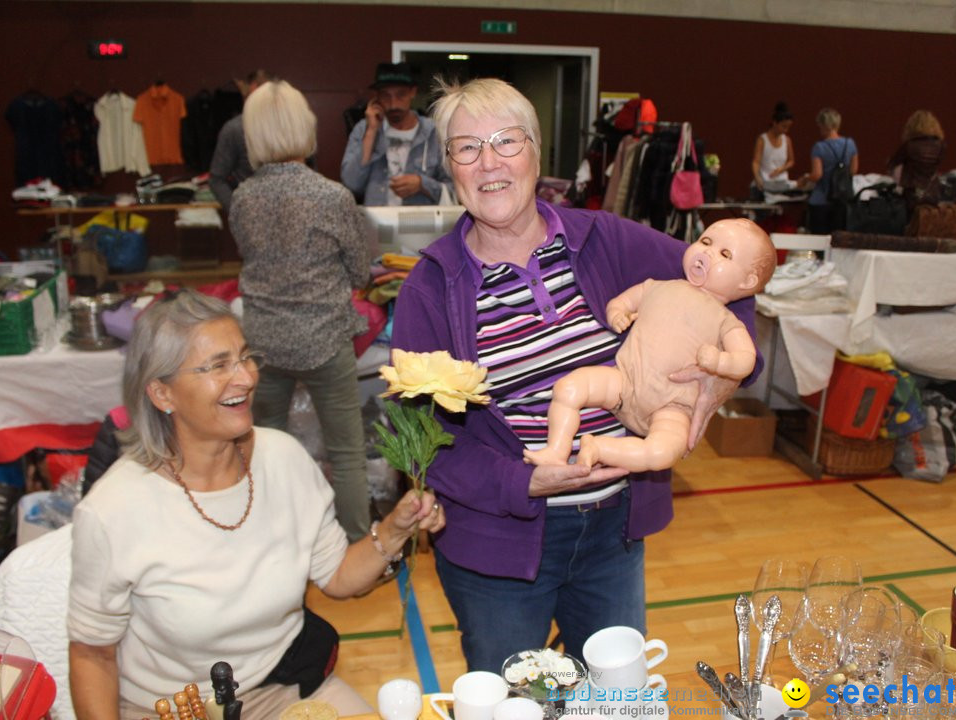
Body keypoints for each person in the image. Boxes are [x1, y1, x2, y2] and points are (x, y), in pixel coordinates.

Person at [390, 78, 761, 673]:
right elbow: (420, 443)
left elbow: (731, 291)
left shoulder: (604, 240)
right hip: (498, 551)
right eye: (466, 148)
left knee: (614, 697)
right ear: (449, 168)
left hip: (612, 532)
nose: (489, 162)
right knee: (512, 704)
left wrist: (712, 391)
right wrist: (524, 484)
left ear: (537, 154)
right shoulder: (430, 288)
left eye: (506, 142)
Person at [67, 291, 445, 720]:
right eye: (217, 366)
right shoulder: (113, 510)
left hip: (282, 690)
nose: (245, 378)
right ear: (161, 393)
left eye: (245, 358)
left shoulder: (282, 458)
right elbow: (91, 654)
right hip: (172, 709)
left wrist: (395, 529)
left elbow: (338, 576)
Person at [229, 80, 371, 542]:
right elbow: (359, 272)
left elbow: (250, 255)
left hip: (264, 342)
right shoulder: (332, 196)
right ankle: (355, 545)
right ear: (304, 128)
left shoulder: (242, 198)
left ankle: (266, 541)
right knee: (347, 452)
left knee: (258, 448)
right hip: (326, 339)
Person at [523, 219, 776, 473]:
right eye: (705, 241)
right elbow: (619, 303)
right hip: (624, 381)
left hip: (672, 407)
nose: (707, 251)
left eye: (724, 253)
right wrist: (617, 313)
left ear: (747, 281)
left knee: (661, 454)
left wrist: (720, 362)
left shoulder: (727, 321)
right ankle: (556, 450)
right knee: (569, 388)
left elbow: (746, 359)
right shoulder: (656, 286)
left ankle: (599, 449)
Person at [340, 62, 452, 206]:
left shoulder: (434, 133)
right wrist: (371, 132)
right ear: (377, 97)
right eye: (386, 96)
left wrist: (422, 184)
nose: (393, 104)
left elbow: (456, 188)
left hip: (423, 225)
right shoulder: (363, 130)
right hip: (376, 225)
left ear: (413, 92)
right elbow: (351, 184)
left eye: (401, 95)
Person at [209, 69, 269, 213]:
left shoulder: (287, 127)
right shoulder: (234, 129)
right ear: (245, 97)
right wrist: (238, 213)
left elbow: (308, 169)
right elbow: (216, 179)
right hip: (250, 215)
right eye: (252, 97)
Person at [800, 107, 859, 234]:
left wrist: (805, 178)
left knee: (819, 240)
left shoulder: (819, 147)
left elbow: (817, 174)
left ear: (823, 125)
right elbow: (853, 170)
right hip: (842, 199)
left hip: (821, 199)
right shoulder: (850, 144)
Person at [887, 110, 945, 212]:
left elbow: (892, 164)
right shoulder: (941, 145)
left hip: (912, 193)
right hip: (933, 191)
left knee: (911, 224)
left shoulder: (909, 145)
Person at [751, 102, 796, 197]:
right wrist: (757, 177)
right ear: (775, 123)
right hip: (765, 181)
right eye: (783, 127)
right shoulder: (762, 140)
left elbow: (791, 161)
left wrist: (781, 169)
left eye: (788, 127)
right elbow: (756, 162)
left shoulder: (787, 140)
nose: (785, 130)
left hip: (781, 183)